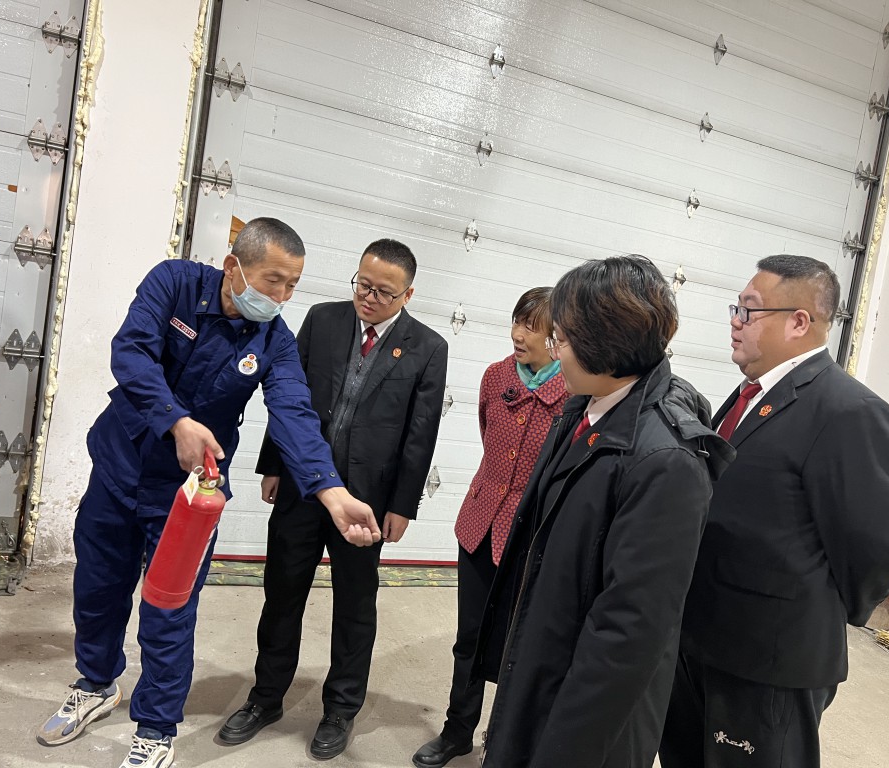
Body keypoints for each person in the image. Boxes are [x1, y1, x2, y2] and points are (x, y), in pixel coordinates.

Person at [35, 218, 380, 768]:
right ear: (233, 267)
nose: (281, 297)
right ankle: (96, 685)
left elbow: (295, 415)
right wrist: (176, 421)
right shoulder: (173, 283)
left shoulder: (275, 342)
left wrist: (332, 493)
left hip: (189, 499)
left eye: (292, 285)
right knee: (98, 588)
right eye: (273, 281)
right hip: (119, 468)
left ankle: (155, 730)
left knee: (168, 609)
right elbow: (131, 352)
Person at [472, 255, 734, 768]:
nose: (553, 350)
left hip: (585, 721)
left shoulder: (666, 462)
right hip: (545, 664)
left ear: (605, 347)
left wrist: (562, 752)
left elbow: (629, 635)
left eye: (562, 340)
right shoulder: (585, 406)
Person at [658, 255, 889, 768]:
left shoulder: (849, 412)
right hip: (701, 642)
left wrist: (813, 616)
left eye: (749, 311)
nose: (735, 322)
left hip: (769, 661)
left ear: (799, 322)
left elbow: (878, 548)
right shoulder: (748, 397)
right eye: (736, 309)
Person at [218, 239, 448, 759]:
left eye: (384, 292)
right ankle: (265, 697)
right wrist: (274, 464)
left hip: (368, 502)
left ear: (408, 295)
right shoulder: (322, 320)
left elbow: (421, 434)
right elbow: (288, 398)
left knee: (355, 605)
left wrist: (402, 506)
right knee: (282, 594)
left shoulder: (428, 348)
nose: (369, 297)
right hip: (302, 488)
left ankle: (341, 708)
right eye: (363, 284)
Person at [412, 288, 569, 768]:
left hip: (533, 537)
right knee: (470, 638)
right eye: (516, 321)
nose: (518, 334)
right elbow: (488, 436)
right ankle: (457, 731)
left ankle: (503, 742)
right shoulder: (496, 377)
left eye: (531, 327)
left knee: (520, 648)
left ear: (557, 337)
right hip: (480, 525)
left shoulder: (574, 393)